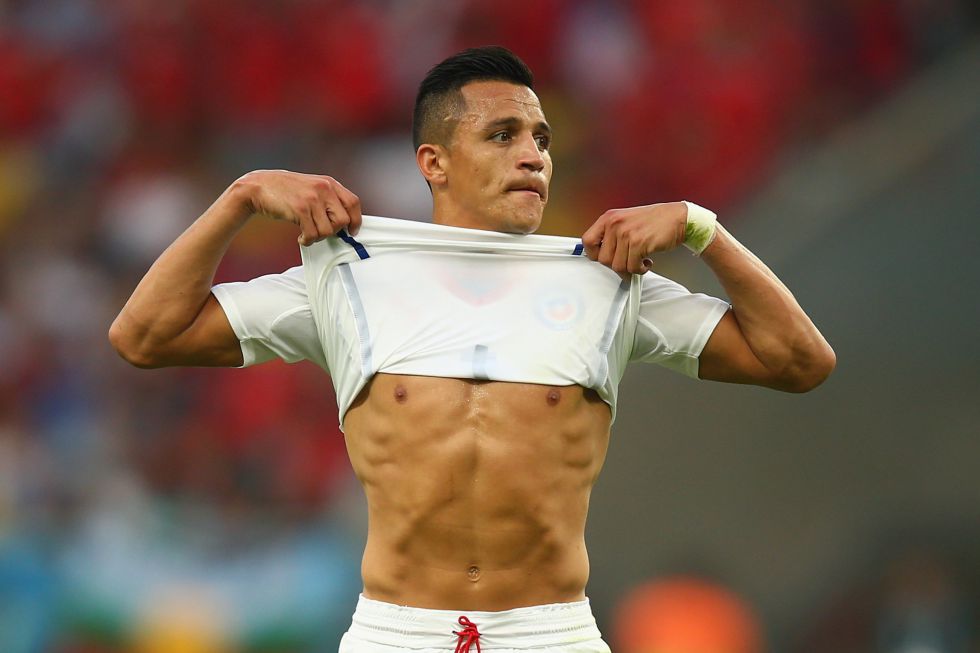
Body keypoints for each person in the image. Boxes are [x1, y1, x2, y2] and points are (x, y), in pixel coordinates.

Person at [109, 46, 835, 653]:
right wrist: (240, 198)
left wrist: (703, 229)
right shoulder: (347, 275)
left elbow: (801, 362)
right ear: (434, 162)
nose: (533, 156)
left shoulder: (608, 280)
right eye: (503, 135)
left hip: (551, 633)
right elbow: (144, 335)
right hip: (396, 632)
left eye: (542, 139)